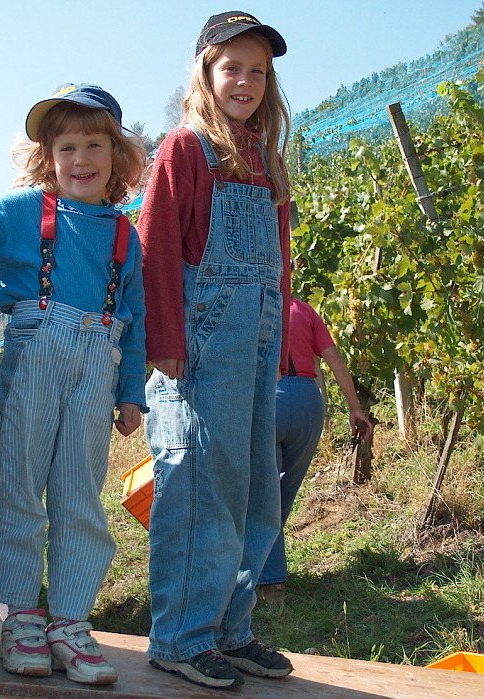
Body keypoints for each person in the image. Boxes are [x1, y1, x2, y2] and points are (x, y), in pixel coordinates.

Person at [0, 84, 147, 685]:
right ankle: (22, 618)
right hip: (36, 356)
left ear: (117, 155)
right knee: (23, 491)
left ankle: (71, 624)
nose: (82, 159)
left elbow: (136, 319)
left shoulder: (125, 236)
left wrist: (131, 391)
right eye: (68, 147)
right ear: (48, 158)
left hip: (96, 364)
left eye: (95, 145)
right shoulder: (26, 214)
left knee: (81, 497)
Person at [137, 10, 294, 690]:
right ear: (205, 71)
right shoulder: (186, 147)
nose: (246, 80)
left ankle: (231, 627)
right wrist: (165, 341)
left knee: (252, 484)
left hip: (257, 336)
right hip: (201, 341)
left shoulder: (264, 156)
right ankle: (181, 634)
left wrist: (279, 336)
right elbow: (156, 247)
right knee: (200, 486)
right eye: (232, 67)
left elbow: (279, 264)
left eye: (258, 70)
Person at [258, 296, 373, 603]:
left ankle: (269, 582)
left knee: (263, 497)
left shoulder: (253, 304)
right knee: (282, 495)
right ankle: (266, 572)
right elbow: (334, 359)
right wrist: (355, 408)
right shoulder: (304, 310)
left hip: (269, 398)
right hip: (309, 404)